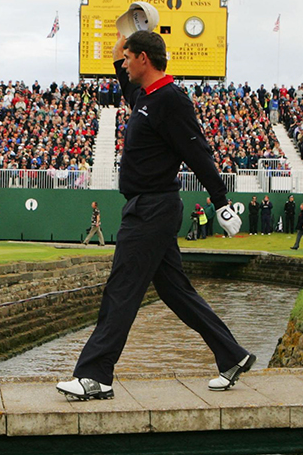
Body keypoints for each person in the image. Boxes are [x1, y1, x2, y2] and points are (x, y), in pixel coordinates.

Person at [57, 30, 252, 401]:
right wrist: (127, 26)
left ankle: (95, 376)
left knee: (122, 289)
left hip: (152, 209)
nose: (123, 64)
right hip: (146, 207)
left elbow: (198, 152)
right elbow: (116, 58)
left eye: (130, 57)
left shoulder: (170, 100)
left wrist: (220, 200)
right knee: (175, 291)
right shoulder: (143, 96)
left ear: (144, 58)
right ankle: (233, 355)